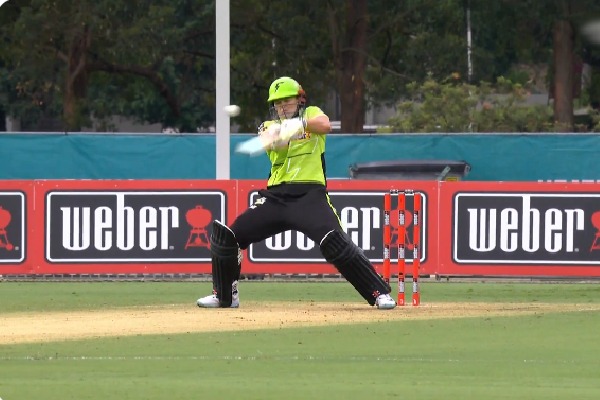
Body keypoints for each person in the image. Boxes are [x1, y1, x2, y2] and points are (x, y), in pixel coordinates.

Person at [196, 76, 396, 310]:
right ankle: (224, 296)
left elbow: (325, 125)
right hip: (275, 198)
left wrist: (299, 125)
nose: (282, 107)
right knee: (228, 237)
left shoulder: (312, 113)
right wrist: (282, 133)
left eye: (287, 101)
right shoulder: (269, 125)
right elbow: (271, 143)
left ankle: (379, 293)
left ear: (300, 100)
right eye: (278, 103)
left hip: (310, 196)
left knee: (336, 243)